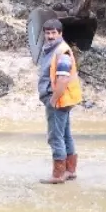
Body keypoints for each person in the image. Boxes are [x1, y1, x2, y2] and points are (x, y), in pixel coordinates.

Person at [36, 18, 82, 184]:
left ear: (60, 33)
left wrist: (53, 100)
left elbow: (62, 80)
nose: (50, 36)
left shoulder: (61, 52)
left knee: (55, 137)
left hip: (59, 99)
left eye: (53, 33)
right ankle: (70, 170)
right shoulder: (54, 49)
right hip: (65, 99)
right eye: (47, 33)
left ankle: (58, 174)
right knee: (65, 134)